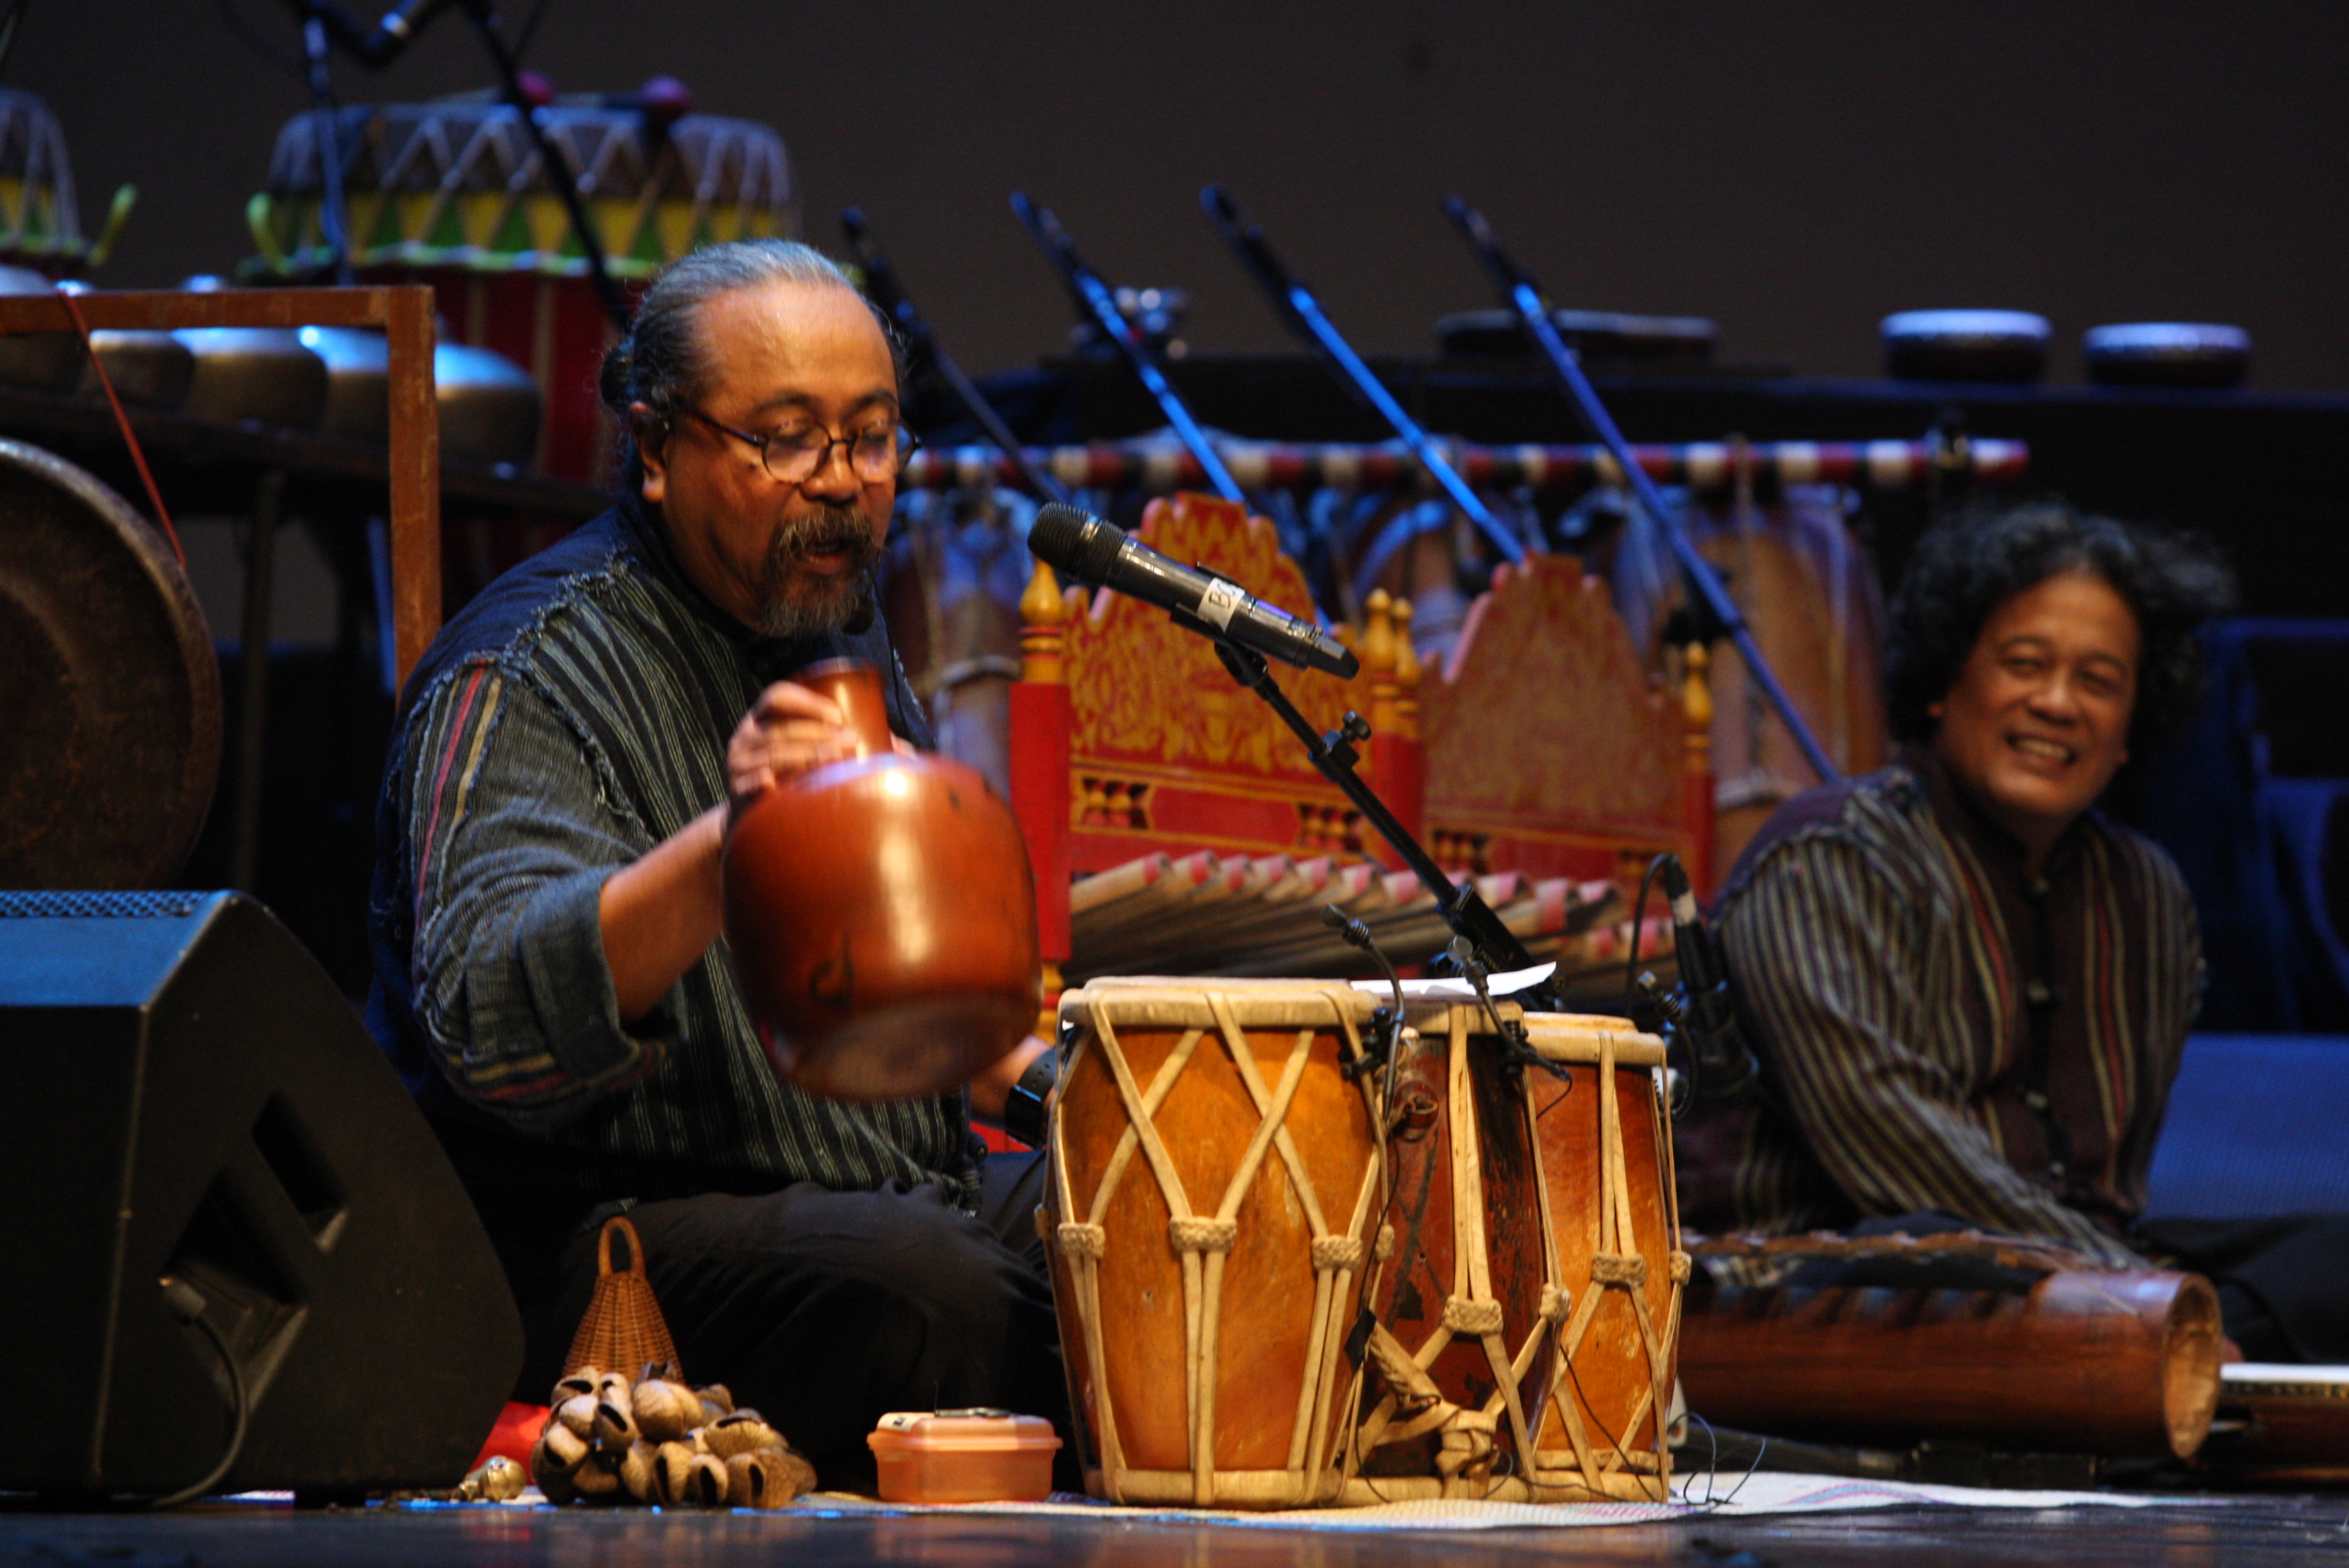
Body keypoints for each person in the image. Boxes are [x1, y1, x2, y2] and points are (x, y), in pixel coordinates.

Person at [366, 240, 1064, 1489]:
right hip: (606, 1240)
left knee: (1129, 1227)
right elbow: (488, 1023)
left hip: (887, 1194)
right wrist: (730, 838)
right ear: (655, 448)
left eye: (872, 438)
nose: (844, 485)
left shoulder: (821, 636)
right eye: (789, 438)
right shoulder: (524, 669)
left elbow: (890, 1002)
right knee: (929, 1291)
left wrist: (1062, 1094)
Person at [1679, 500, 2347, 1364]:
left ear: (2128, 729)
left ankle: (2173, 1369)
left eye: (2099, 680)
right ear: (1944, 682)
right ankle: (2173, 1369)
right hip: (1839, 1276)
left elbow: (2109, 1192)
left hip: (2057, 1281)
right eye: (2022, 664)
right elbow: (1894, 1150)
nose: (2058, 702)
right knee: (1931, 1243)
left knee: (2329, 1261)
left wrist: (2134, 1288)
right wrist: (2135, 1295)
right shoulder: (1829, 856)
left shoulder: (2143, 893)